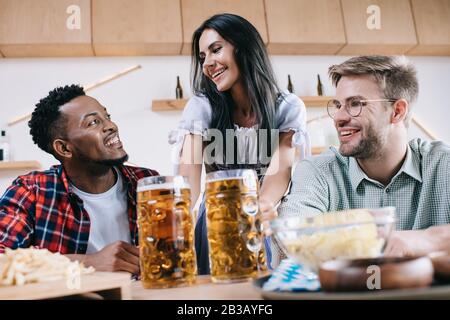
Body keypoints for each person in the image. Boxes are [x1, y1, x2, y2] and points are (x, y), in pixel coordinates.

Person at [169, 13, 310, 274]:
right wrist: (177, 234)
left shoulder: (287, 108)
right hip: (212, 225)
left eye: (216, 49)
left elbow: (280, 171)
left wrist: (260, 208)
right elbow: (188, 179)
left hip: (257, 219)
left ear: (244, 46)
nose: (208, 64)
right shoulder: (202, 107)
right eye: (202, 57)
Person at [276, 55, 450, 262]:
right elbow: (294, 237)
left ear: (397, 111)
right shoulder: (318, 171)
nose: (339, 117)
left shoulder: (443, 165)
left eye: (355, 104)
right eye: (338, 105)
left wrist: (418, 241)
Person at [0, 85, 159, 274]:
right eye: (93, 122)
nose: (111, 125)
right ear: (65, 149)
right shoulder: (31, 191)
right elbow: (3, 259)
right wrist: (87, 263)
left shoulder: (148, 182)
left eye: (107, 117)